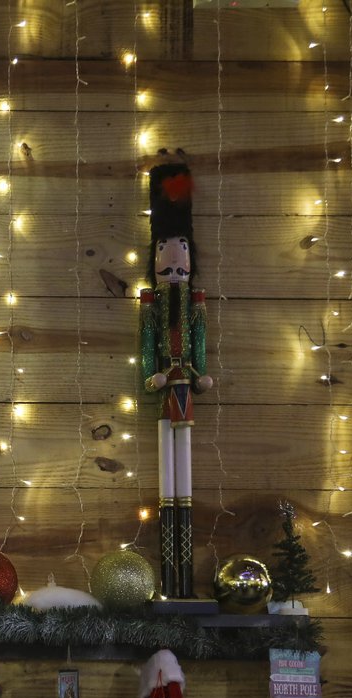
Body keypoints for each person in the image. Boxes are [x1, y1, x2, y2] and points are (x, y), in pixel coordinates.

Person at [139, 161, 214, 598]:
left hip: (185, 384)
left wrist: (200, 374)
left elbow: (199, 341)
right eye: (163, 248)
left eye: (180, 247)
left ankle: (183, 583)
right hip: (164, 387)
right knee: (168, 477)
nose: (171, 257)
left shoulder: (193, 303)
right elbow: (146, 346)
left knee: (181, 477)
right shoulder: (151, 306)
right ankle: (171, 582)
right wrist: (149, 375)